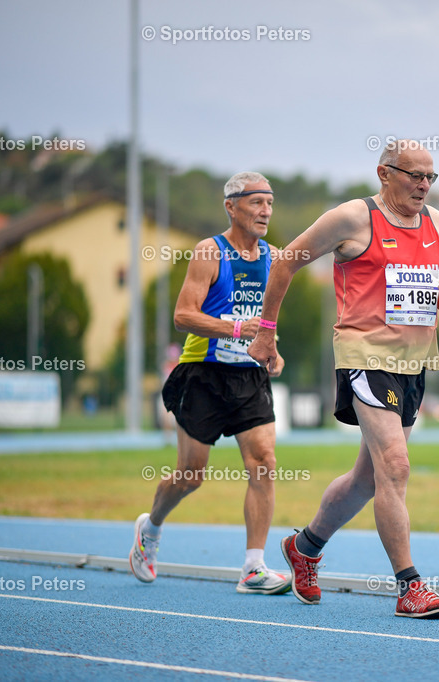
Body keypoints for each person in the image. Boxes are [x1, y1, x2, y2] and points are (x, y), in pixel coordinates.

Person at [248, 140, 439, 618]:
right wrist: (266, 334)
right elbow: (285, 260)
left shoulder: (437, 222)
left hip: (414, 361)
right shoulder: (352, 217)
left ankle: (304, 547)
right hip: (364, 354)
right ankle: (410, 588)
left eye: (431, 177)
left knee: (367, 479)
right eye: (414, 175)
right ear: (385, 174)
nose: (423, 185)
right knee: (396, 466)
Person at [130, 171, 291, 595]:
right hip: (203, 373)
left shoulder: (274, 258)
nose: (265, 211)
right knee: (190, 474)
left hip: (249, 376)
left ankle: (253, 567)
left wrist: (271, 348)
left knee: (264, 461)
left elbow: (266, 318)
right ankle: (151, 528)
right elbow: (183, 316)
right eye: (257, 202)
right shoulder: (209, 251)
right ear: (231, 206)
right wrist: (237, 329)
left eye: (270, 203)